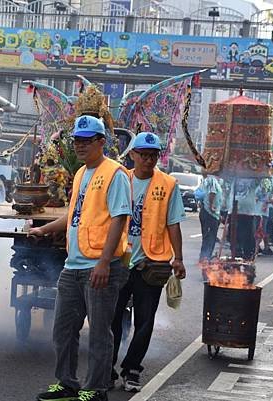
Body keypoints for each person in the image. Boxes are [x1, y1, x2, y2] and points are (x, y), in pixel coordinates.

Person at [30, 115, 131, 401]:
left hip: (100, 266)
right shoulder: (80, 174)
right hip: (73, 265)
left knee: (99, 332)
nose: (80, 146)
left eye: (87, 141)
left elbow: (119, 218)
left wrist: (103, 262)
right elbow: (74, 216)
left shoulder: (115, 174)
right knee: (63, 328)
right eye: (77, 140)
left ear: (102, 142)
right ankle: (67, 383)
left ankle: (96, 389)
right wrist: (43, 229)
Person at [111, 132, 186, 392]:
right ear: (132, 154)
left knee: (145, 321)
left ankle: (132, 369)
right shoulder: (120, 179)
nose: (149, 159)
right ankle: (107, 369)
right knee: (112, 319)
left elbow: (173, 223)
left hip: (151, 264)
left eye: (153, 155)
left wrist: (179, 258)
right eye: (143, 154)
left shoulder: (168, 184)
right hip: (119, 261)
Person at [198, 171, 223, 263]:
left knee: (209, 237)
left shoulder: (208, 180)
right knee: (209, 237)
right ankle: (205, 257)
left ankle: (205, 257)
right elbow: (212, 193)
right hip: (209, 213)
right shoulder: (212, 180)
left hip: (211, 213)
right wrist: (211, 206)